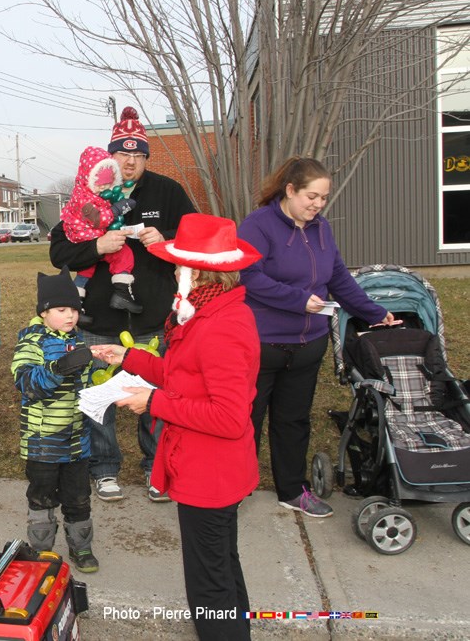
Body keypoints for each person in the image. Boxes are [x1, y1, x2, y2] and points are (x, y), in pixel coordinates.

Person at [93, 212, 261, 641]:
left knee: (210, 585)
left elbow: (228, 416)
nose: (173, 273)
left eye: (179, 267)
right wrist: (129, 359)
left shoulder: (221, 327)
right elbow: (184, 376)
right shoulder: (203, 314)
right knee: (221, 567)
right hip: (205, 467)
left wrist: (154, 402)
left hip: (211, 473)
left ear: (199, 272)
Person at [50, 107, 196, 503]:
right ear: (110, 156)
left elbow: (196, 238)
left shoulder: (167, 191)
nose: (130, 162)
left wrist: (162, 238)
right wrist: (94, 247)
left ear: (147, 158)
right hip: (98, 318)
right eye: (123, 154)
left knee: (153, 395)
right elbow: (58, 251)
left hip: (151, 318)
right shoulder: (89, 189)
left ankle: (156, 466)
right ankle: (104, 467)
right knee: (101, 395)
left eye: (138, 155)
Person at [238, 157, 396, 518]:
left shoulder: (321, 229)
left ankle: (292, 490)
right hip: (261, 344)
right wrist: (296, 300)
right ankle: (234, 489)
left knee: (293, 421)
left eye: (323, 198)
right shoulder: (258, 225)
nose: (318, 204)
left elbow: (338, 277)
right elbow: (247, 275)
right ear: (290, 190)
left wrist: (374, 312)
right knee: (246, 420)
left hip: (308, 345)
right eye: (312, 196)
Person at [11, 267, 98, 573]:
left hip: (77, 442)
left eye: (74, 309)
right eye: (62, 310)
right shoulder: (31, 342)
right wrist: (58, 368)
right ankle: (41, 550)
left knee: (78, 498)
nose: (70, 315)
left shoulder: (79, 339)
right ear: (45, 313)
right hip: (43, 443)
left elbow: (88, 384)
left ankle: (82, 547)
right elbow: (26, 383)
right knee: (42, 498)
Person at [60, 145, 141, 313]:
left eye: (107, 185)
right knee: (124, 255)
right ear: (89, 178)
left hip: (84, 238)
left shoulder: (84, 192)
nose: (104, 190)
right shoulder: (84, 199)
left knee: (86, 270)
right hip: (89, 237)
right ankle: (122, 294)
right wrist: (117, 209)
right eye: (100, 185)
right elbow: (98, 220)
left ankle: (76, 305)